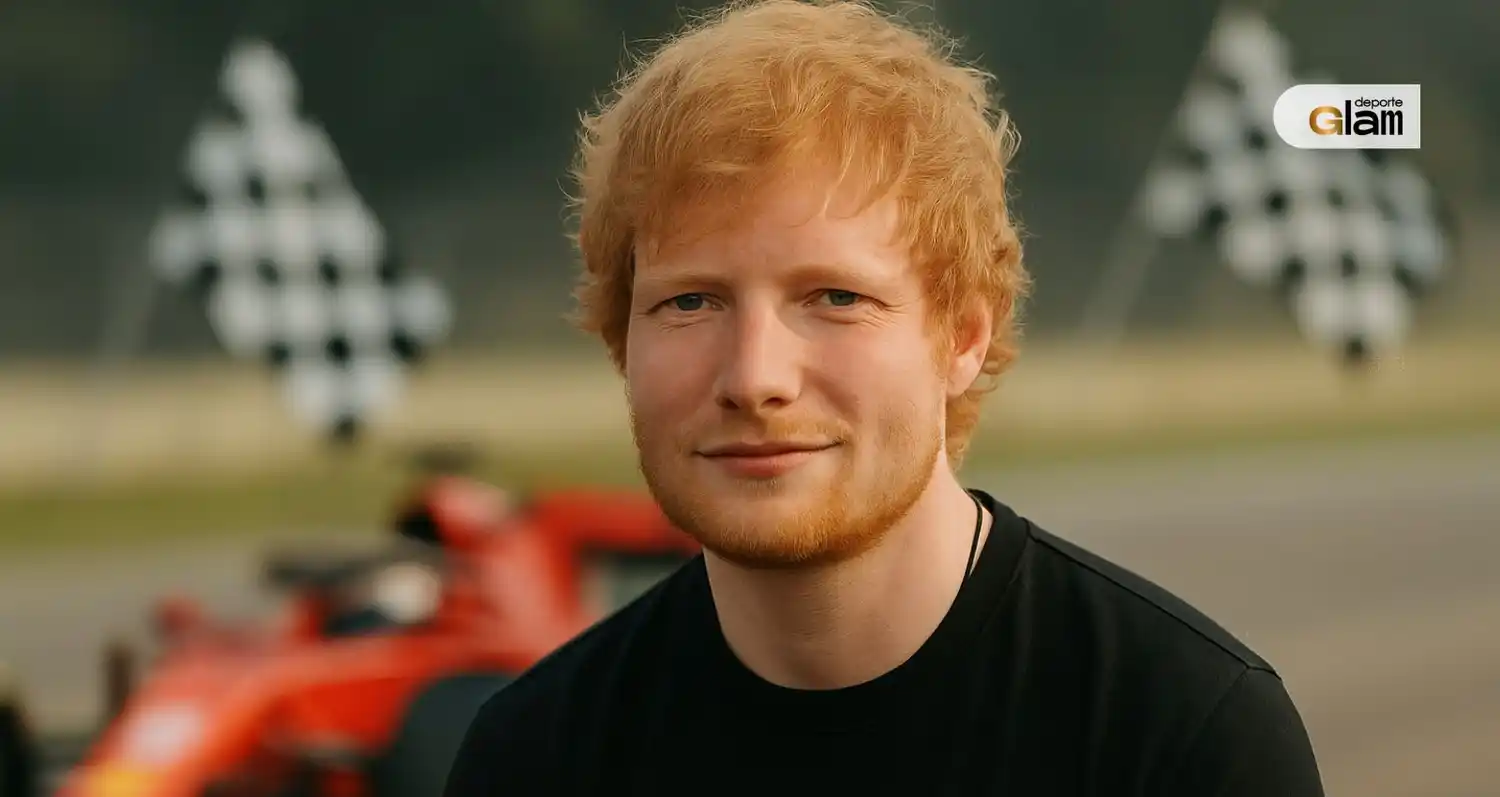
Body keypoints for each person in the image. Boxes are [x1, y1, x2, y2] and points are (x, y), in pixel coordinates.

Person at [444, 1, 1325, 794]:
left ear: (963, 337)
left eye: (835, 297)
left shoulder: (1180, 738)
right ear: (619, 344)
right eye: (690, 301)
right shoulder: (534, 756)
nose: (756, 377)